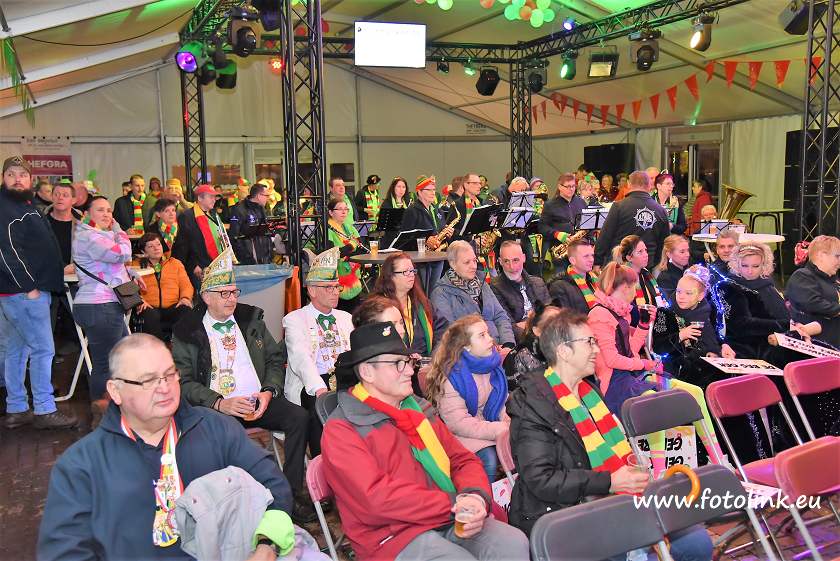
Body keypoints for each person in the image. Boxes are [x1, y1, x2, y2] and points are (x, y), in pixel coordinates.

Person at [38, 334, 294, 561]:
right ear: (115, 391)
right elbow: (65, 551)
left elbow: (274, 485)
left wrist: (266, 546)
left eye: (170, 374)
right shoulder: (81, 465)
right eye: (148, 380)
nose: (165, 388)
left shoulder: (215, 429)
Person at [506, 309, 714, 561]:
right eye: (589, 342)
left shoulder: (589, 392)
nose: (597, 349)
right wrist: (610, 482)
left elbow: (616, 455)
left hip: (615, 498)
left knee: (697, 542)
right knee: (658, 551)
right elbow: (542, 480)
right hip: (568, 512)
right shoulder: (533, 405)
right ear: (563, 351)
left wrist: (625, 478)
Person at [321, 322, 530, 561]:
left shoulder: (418, 409)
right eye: (397, 364)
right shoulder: (343, 429)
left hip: (448, 515)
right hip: (393, 535)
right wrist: (453, 504)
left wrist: (474, 495)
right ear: (367, 372)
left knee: (512, 543)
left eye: (408, 361)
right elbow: (377, 501)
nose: (410, 372)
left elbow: (462, 460)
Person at [172, 248, 315, 523]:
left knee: (299, 417)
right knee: (227, 436)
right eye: (224, 293)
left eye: (234, 292)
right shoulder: (187, 331)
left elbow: (275, 359)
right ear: (206, 297)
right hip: (217, 409)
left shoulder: (250, 320)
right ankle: (243, 503)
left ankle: (289, 493)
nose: (232, 299)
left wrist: (269, 391)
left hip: (257, 400)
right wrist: (219, 403)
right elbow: (184, 381)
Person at [588, 263, 724, 477]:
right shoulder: (599, 315)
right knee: (655, 404)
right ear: (625, 287)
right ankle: (660, 472)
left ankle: (719, 459)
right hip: (615, 384)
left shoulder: (618, 311)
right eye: (634, 288)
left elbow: (631, 351)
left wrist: (643, 325)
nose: (636, 293)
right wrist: (646, 364)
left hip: (632, 377)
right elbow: (613, 360)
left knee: (695, 393)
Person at [0, 156, 77, 430]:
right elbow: (6, 252)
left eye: (23, 174)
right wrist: (28, 286)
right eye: (11, 174)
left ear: (30, 179)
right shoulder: (6, 207)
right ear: (3, 178)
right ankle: (44, 408)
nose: (17, 179)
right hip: (24, 293)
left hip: (20, 293)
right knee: (43, 349)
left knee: (17, 350)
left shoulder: (24, 203)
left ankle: (17, 407)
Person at [283, 247, 353, 454]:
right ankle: (321, 461)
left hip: (345, 379)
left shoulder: (346, 318)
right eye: (328, 287)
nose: (335, 292)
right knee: (318, 408)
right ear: (311, 290)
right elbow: (301, 359)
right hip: (312, 382)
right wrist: (319, 389)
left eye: (336, 286)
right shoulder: (294, 319)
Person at [424, 316, 510, 483]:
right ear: (466, 346)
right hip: (459, 434)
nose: (490, 339)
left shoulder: (491, 364)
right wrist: (497, 429)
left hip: (490, 426)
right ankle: (485, 495)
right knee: (489, 458)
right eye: (482, 335)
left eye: (488, 333)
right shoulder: (451, 376)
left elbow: (501, 401)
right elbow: (458, 423)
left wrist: (508, 421)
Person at [72, 196, 135, 406]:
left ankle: (114, 409)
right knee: (106, 365)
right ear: (87, 214)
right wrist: (119, 230)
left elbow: (110, 266)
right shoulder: (89, 236)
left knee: (120, 359)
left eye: (109, 210)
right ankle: (102, 413)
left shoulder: (96, 235)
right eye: (100, 210)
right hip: (100, 305)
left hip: (103, 305)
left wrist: (132, 273)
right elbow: (123, 253)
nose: (107, 214)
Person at [653, 266, 735, 389]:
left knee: (735, 379)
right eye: (679, 291)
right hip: (681, 369)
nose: (681, 296)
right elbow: (659, 347)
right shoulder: (665, 313)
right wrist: (680, 335)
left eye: (688, 293)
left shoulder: (709, 311)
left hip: (712, 363)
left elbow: (715, 336)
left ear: (701, 296)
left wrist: (723, 345)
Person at [432, 241, 515, 348]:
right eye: (467, 262)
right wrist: (486, 349)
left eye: (474, 261)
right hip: (470, 352)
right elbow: (450, 334)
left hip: (499, 347)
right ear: (453, 264)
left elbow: (501, 316)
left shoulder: (482, 283)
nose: (473, 266)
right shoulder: (441, 293)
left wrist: (507, 344)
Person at [372, 252, 446, 357]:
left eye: (412, 271)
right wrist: (405, 357)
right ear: (391, 276)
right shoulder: (378, 309)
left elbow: (442, 329)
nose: (411, 275)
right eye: (406, 272)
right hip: (395, 362)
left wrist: (434, 356)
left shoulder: (422, 303)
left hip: (426, 361)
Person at [594, 171, 670, 267]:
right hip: (647, 265)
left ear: (629, 184)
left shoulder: (619, 207)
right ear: (649, 185)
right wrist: (654, 262)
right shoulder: (661, 210)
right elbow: (664, 243)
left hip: (620, 264)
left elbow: (605, 236)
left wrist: (597, 261)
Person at [135, 233, 194, 342]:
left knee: (185, 310)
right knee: (148, 314)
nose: (156, 248)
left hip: (173, 305)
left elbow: (186, 285)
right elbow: (130, 288)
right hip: (150, 307)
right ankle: (159, 348)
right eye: (150, 246)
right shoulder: (136, 266)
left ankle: (183, 349)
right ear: (143, 251)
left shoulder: (175, 263)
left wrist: (185, 298)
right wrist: (140, 300)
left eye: (158, 244)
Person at [401, 175, 454, 293]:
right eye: (428, 190)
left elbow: (439, 230)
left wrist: (447, 232)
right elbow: (405, 238)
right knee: (423, 292)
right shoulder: (412, 211)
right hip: (421, 261)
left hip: (438, 256)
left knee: (435, 291)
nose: (433, 192)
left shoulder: (438, 210)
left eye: (434, 189)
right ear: (419, 192)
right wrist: (425, 240)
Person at [786, 235, 840, 348]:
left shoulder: (833, 281)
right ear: (821, 255)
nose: (839, 261)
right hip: (816, 344)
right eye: (837, 256)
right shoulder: (802, 276)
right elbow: (813, 303)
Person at [490, 240, 550, 341]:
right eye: (506, 261)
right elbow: (508, 326)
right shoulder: (495, 288)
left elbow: (550, 315)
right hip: (525, 341)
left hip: (547, 334)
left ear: (524, 258)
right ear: (500, 262)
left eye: (515, 260)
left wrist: (527, 324)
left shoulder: (538, 282)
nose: (512, 267)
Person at [172, 183, 227, 289]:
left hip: (217, 265)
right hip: (199, 268)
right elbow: (182, 246)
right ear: (200, 198)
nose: (214, 200)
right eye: (210, 197)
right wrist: (192, 265)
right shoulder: (187, 217)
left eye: (214, 197)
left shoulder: (214, 214)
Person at [613, 235, 666, 327]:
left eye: (645, 250)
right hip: (632, 327)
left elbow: (658, 301)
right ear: (629, 257)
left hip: (651, 325)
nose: (646, 254)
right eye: (640, 252)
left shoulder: (646, 275)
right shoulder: (623, 279)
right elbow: (625, 311)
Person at [504, 304, 560, 390]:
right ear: (537, 331)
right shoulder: (528, 354)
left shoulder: (560, 345)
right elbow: (551, 388)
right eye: (553, 323)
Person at [326, 197, 365, 311]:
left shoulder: (349, 227)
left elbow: (361, 247)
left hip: (353, 274)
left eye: (346, 209)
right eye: (340, 209)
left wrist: (349, 254)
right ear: (331, 212)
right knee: (342, 311)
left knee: (355, 311)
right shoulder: (328, 229)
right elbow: (333, 252)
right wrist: (351, 246)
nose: (344, 212)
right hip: (338, 276)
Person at [539, 172, 587, 262]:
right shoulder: (550, 205)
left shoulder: (581, 202)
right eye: (567, 186)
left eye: (573, 186)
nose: (571, 189)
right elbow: (542, 227)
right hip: (560, 248)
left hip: (580, 247)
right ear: (560, 187)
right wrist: (556, 234)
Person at [548, 237, 598, 314]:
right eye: (586, 256)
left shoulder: (595, 279)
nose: (591, 259)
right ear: (572, 261)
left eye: (592, 255)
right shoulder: (559, 287)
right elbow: (566, 318)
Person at [229, 182, 273, 265]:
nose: (268, 198)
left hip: (264, 258)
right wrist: (246, 255)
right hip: (248, 261)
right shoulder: (239, 209)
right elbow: (234, 236)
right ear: (258, 196)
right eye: (266, 196)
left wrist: (269, 253)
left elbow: (265, 232)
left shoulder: (261, 208)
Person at [655, 234, 691, 303]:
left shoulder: (688, 270)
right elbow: (673, 303)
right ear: (669, 254)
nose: (687, 254)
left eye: (688, 250)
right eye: (682, 252)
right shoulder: (665, 278)